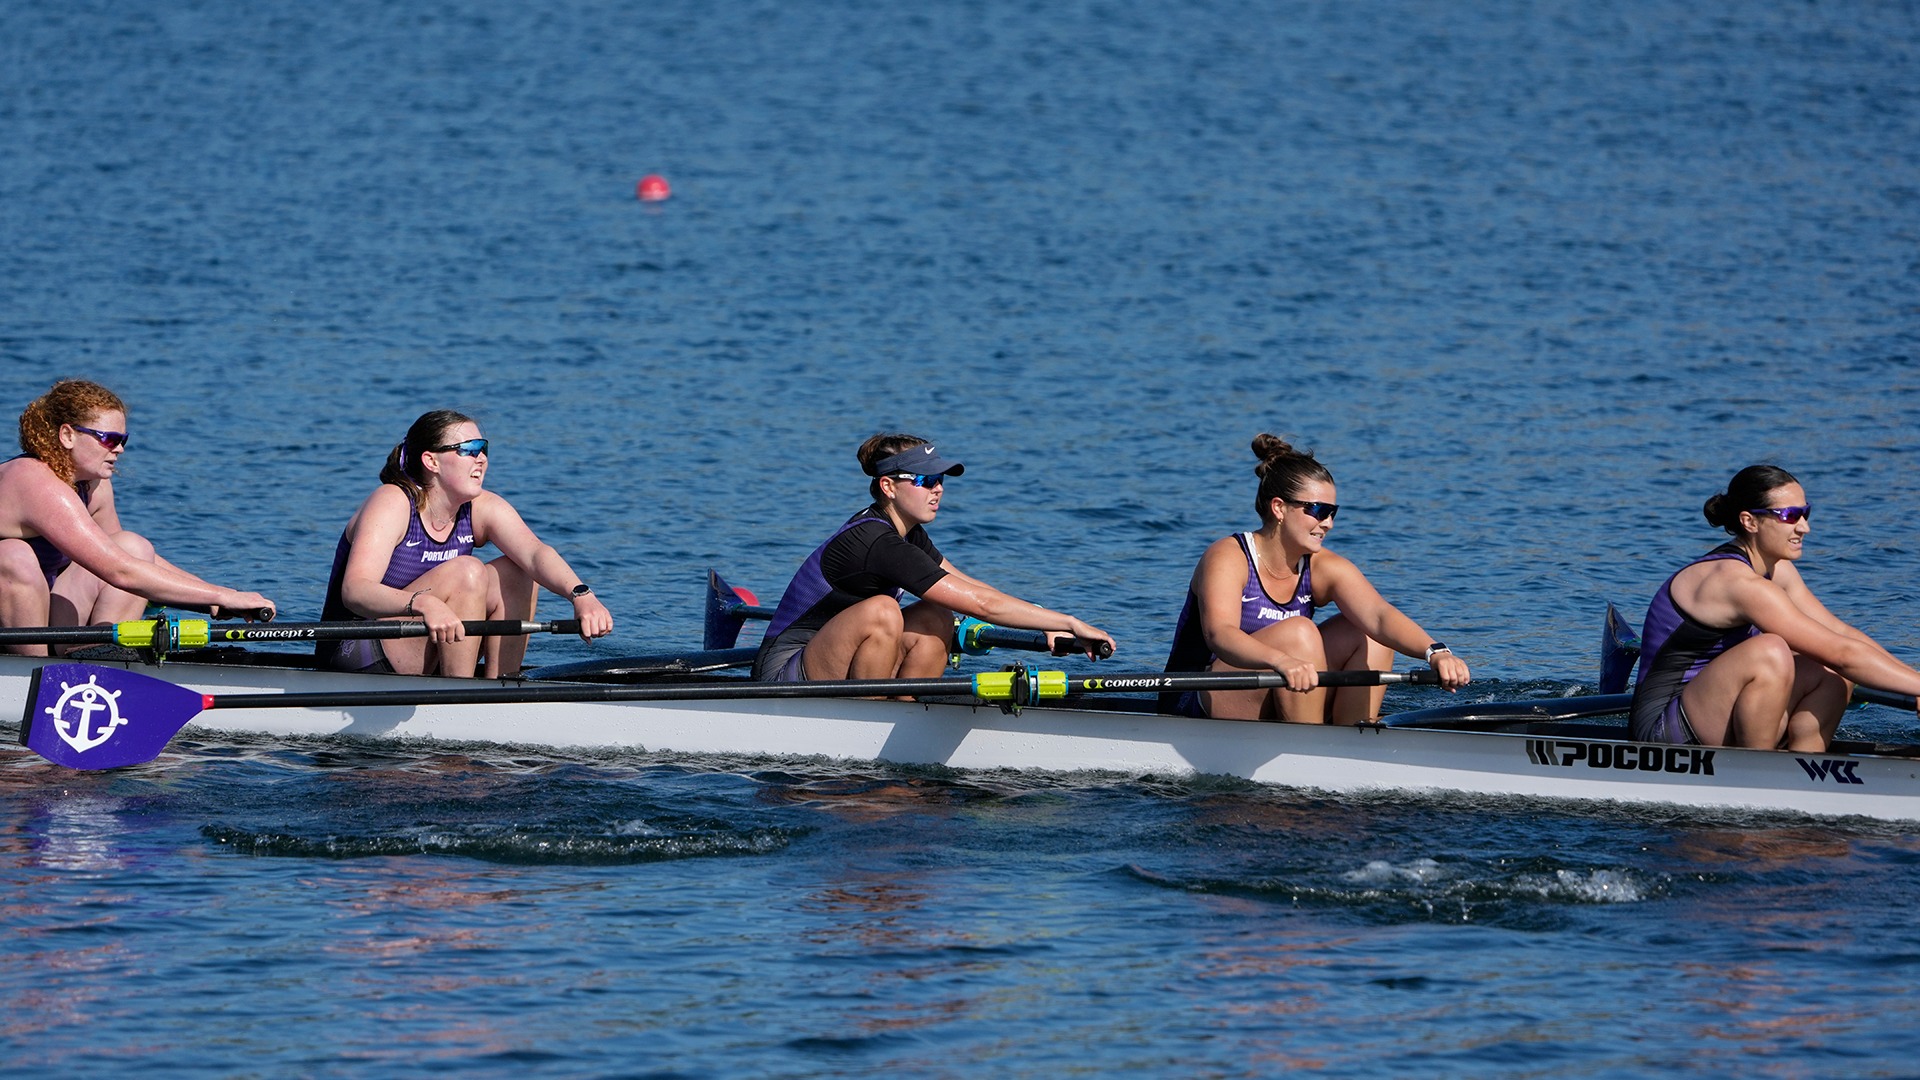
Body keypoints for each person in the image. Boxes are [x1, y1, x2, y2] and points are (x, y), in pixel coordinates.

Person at [752, 433, 1116, 682]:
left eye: (940, 478)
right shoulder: (874, 541)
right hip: (783, 672)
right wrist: (1070, 622)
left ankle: (908, 711)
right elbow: (984, 607)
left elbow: (970, 588)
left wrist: (1043, 620)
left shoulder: (906, 532)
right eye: (925, 480)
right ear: (888, 486)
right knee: (882, 610)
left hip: (837, 658)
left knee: (936, 613)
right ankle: (873, 717)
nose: (938, 488)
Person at [1164, 434, 1470, 722]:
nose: (1328, 524)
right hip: (1195, 699)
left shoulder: (1323, 566)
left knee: (1367, 633)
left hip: (1285, 685)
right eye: (1318, 511)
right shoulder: (1228, 556)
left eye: (1333, 512)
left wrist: (1436, 652)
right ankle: (1312, 750)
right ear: (1279, 508)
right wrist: (1280, 660)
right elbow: (1221, 635)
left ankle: (1354, 736)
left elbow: (1379, 616)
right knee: (1300, 633)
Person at [1628, 464, 1920, 751]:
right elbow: (1844, 654)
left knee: (1836, 674)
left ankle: (1806, 768)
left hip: (1717, 710)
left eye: (1805, 513)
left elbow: (1842, 635)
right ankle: (1760, 776)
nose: (1804, 527)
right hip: (1663, 732)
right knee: (1772, 651)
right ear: (1750, 522)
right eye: (1790, 516)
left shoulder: (1778, 571)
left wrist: (1914, 682)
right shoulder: (1736, 583)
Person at [317, 409, 613, 677]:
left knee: (521, 571)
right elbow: (355, 590)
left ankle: (502, 686)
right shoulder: (392, 503)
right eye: (468, 450)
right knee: (468, 572)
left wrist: (581, 596)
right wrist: (423, 603)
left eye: (483, 449)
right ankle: (460, 694)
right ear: (431, 461)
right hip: (355, 650)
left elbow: (535, 554)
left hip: (419, 640)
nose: (481, 459)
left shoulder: (481, 507)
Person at [0, 379, 276, 654]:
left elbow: (127, 559)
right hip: (12, 623)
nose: (119, 449)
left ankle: (96, 657)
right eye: (108, 439)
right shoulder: (32, 480)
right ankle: (31, 673)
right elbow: (121, 572)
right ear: (67, 435)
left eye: (122, 440)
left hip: (43, 611)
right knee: (13, 555)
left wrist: (214, 598)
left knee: (133, 545)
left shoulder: (94, 485)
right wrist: (221, 596)